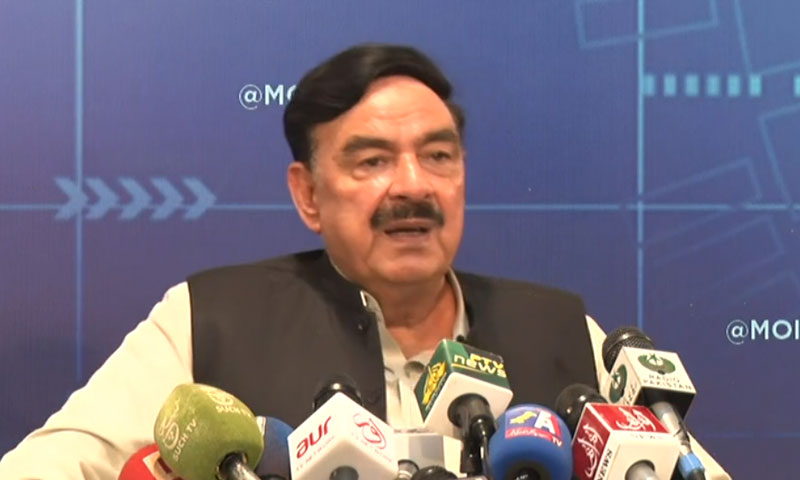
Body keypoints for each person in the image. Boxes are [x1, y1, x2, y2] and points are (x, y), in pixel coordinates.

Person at [0, 43, 729, 479]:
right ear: (308, 195)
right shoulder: (209, 319)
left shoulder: (562, 331)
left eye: (438, 156)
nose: (413, 185)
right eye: (373, 160)